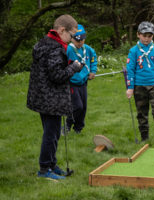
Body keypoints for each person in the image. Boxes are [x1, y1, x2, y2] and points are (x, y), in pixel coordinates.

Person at [27, 14, 83, 180]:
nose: (72, 39)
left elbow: (51, 71)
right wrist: (74, 67)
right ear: (61, 30)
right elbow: (57, 76)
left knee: (53, 133)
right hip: (49, 99)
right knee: (51, 134)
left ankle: (52, 164)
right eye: (71, 35)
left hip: (43, 97)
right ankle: (44, 169)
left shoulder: (47, 43)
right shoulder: (54, 48)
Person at [126, 21, 154, 144]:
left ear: (152, 36)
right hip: (139, 86)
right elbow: (130, 70)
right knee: (141, 114)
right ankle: (144, 138)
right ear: (138, 34)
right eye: (144, 35)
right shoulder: (133, 51)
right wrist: (130, 87)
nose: (147, 39)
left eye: (149, 36)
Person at [66, 24, 97, 134]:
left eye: (82, 40)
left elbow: (93, 58)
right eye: (77, 40)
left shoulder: (87, 49)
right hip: (72, 83)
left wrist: (93, 71)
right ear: (72, 38)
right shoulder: (68, 50)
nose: (80, 43)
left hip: (83, 82)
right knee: (77, 106)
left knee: (83, 107)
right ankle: (68, 124)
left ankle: (78, 128)